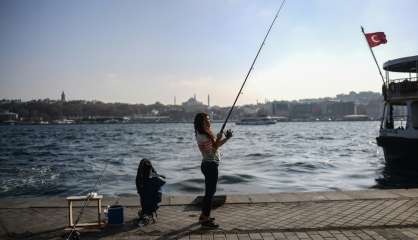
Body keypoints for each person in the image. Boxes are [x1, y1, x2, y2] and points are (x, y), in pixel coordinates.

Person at [194, 113, 233, 228]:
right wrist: (218, 138)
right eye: (206, 120)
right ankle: (205, 219)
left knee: (210, 192)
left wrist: (226, 138)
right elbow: (211, 151)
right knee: (210, 193)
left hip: (211, 164)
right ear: (200, 123)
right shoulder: (202, 136)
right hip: (209, 165)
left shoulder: (206, 134)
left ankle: (204, 215)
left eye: (209, 119)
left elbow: (216, 145)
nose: (208, 121)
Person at [135, 158, 165, 227]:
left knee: (145, 201)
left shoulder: (140, 178)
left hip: (150, 201)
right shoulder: (151, 176)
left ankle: (147, 213)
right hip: (154, 201)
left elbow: (140, 192)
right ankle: (150, 213)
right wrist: (157, 176)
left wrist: (156, 176)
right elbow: (163, 181)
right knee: (146, 199)